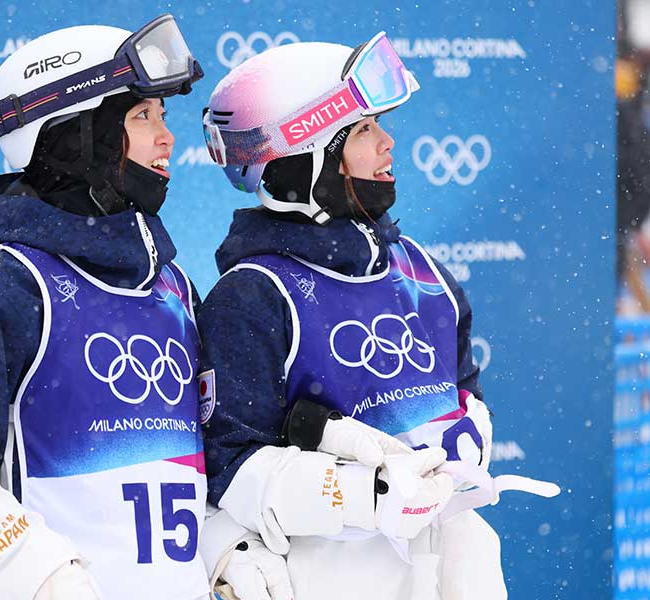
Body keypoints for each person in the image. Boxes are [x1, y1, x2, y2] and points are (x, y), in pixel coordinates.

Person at [196, 34, 558, 600]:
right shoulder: (253, 297)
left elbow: (466, 395)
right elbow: (230, 469)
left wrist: (465, 443)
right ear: (307, 157)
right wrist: (366, 493)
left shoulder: (421, 272)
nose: (389, 143)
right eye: (365, 129)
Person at [0, 15, 210, 600]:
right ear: (72, 138)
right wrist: (44, 574)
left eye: (163, 116)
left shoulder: (171, 287)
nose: (167, 138)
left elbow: (207, 463)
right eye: (142, 116)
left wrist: (230, 547)